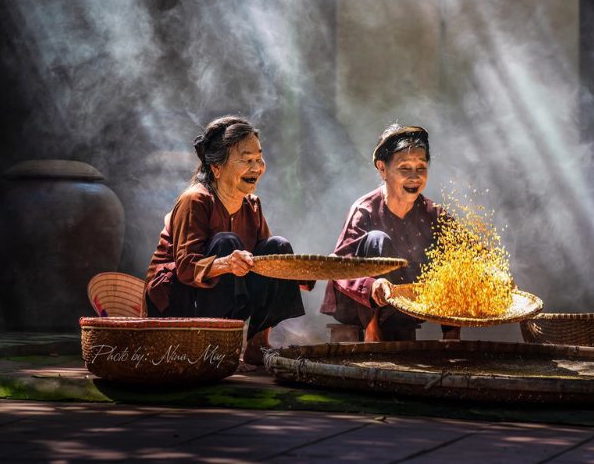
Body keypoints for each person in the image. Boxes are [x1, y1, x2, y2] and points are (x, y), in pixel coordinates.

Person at [144, 115, 311, 364]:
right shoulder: (195, 200)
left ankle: (257, 344)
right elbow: (186, 268)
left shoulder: (252, 205)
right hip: (178, 300)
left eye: (259, 159)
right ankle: (213, 349)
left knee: (279, 247)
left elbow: (267, 262)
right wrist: (225, 263)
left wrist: (299, 271)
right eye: (247, 160)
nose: (257, 167)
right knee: (226, 243)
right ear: (217, 167)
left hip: (223, 298)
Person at [320, 124, 461, 341]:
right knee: (377, 239)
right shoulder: (364, 209)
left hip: (404, 303)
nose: (414, 176)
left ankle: (452, 337)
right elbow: (338, 266)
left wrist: (494, 271)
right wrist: (372, 285)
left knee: (454, 254)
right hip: (356, 303)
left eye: (421, 167)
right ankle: (372, 330)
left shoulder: (434, 214)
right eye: (404, 168)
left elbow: (470, 250)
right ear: (382, 169)